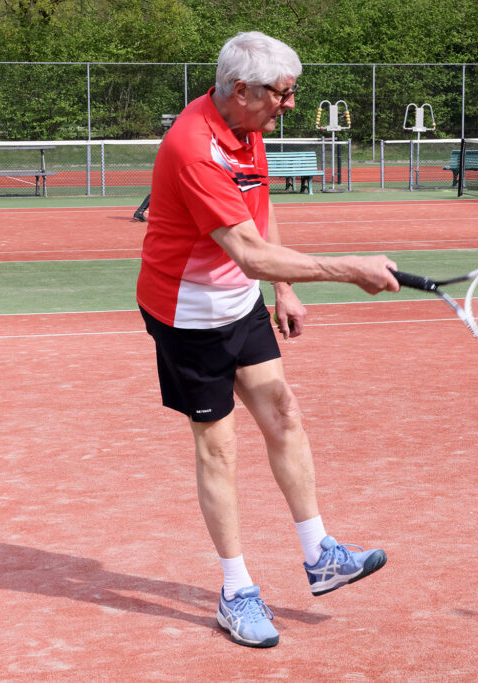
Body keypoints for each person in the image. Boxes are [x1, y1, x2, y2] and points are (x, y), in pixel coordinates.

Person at [135, 31, 400, 649]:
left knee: (283, 410)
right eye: (282, 94)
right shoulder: (194, 148)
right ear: (241, 90)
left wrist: (285, 287)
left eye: (292, 93)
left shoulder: (249, 125)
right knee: (220, 448)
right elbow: (248, 252)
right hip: (186, 313)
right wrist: (348, 268)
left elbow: (259, 210)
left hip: (241, 300)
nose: (289, 104)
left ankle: (321, 556)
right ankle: (236, 592)